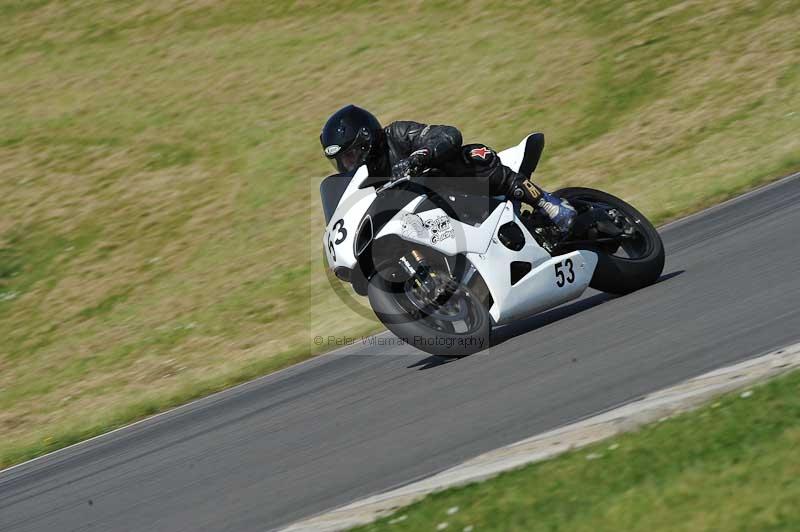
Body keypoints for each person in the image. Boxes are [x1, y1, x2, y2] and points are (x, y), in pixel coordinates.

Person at [319, 104, 576, 234]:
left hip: (458, 183)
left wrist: (416, 158)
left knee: (473, 157)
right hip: (432, 214)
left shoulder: (396, 134)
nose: (348, 165)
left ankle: (547, 202)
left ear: (366, 140)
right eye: (342, 161)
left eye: (350, 156)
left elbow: (448, 134)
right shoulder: (365, 180)